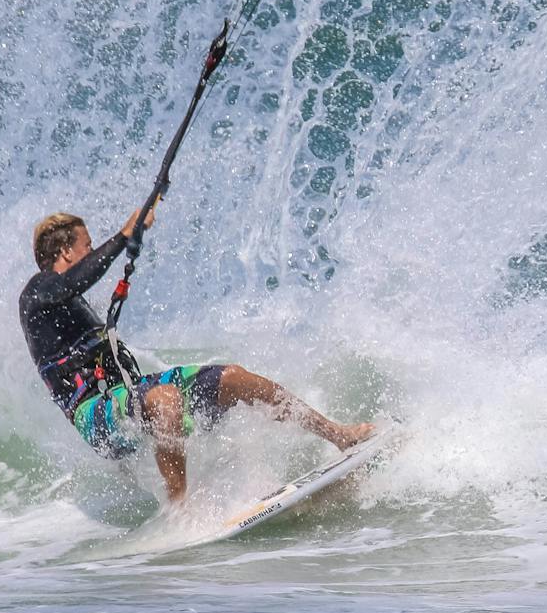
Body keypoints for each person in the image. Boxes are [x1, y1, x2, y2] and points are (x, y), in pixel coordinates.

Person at [19, 207, 374, 502]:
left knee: (234, 378)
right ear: (66, 251)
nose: (91, 251)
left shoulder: (68, 298)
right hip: (95, 417)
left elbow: (78, 283)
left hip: (130, 395)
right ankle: (180, 511)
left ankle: (339, 434)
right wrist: (123, 237)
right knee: (165, 399)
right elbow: (74, 280)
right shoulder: (37, 293)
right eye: (86, 245)